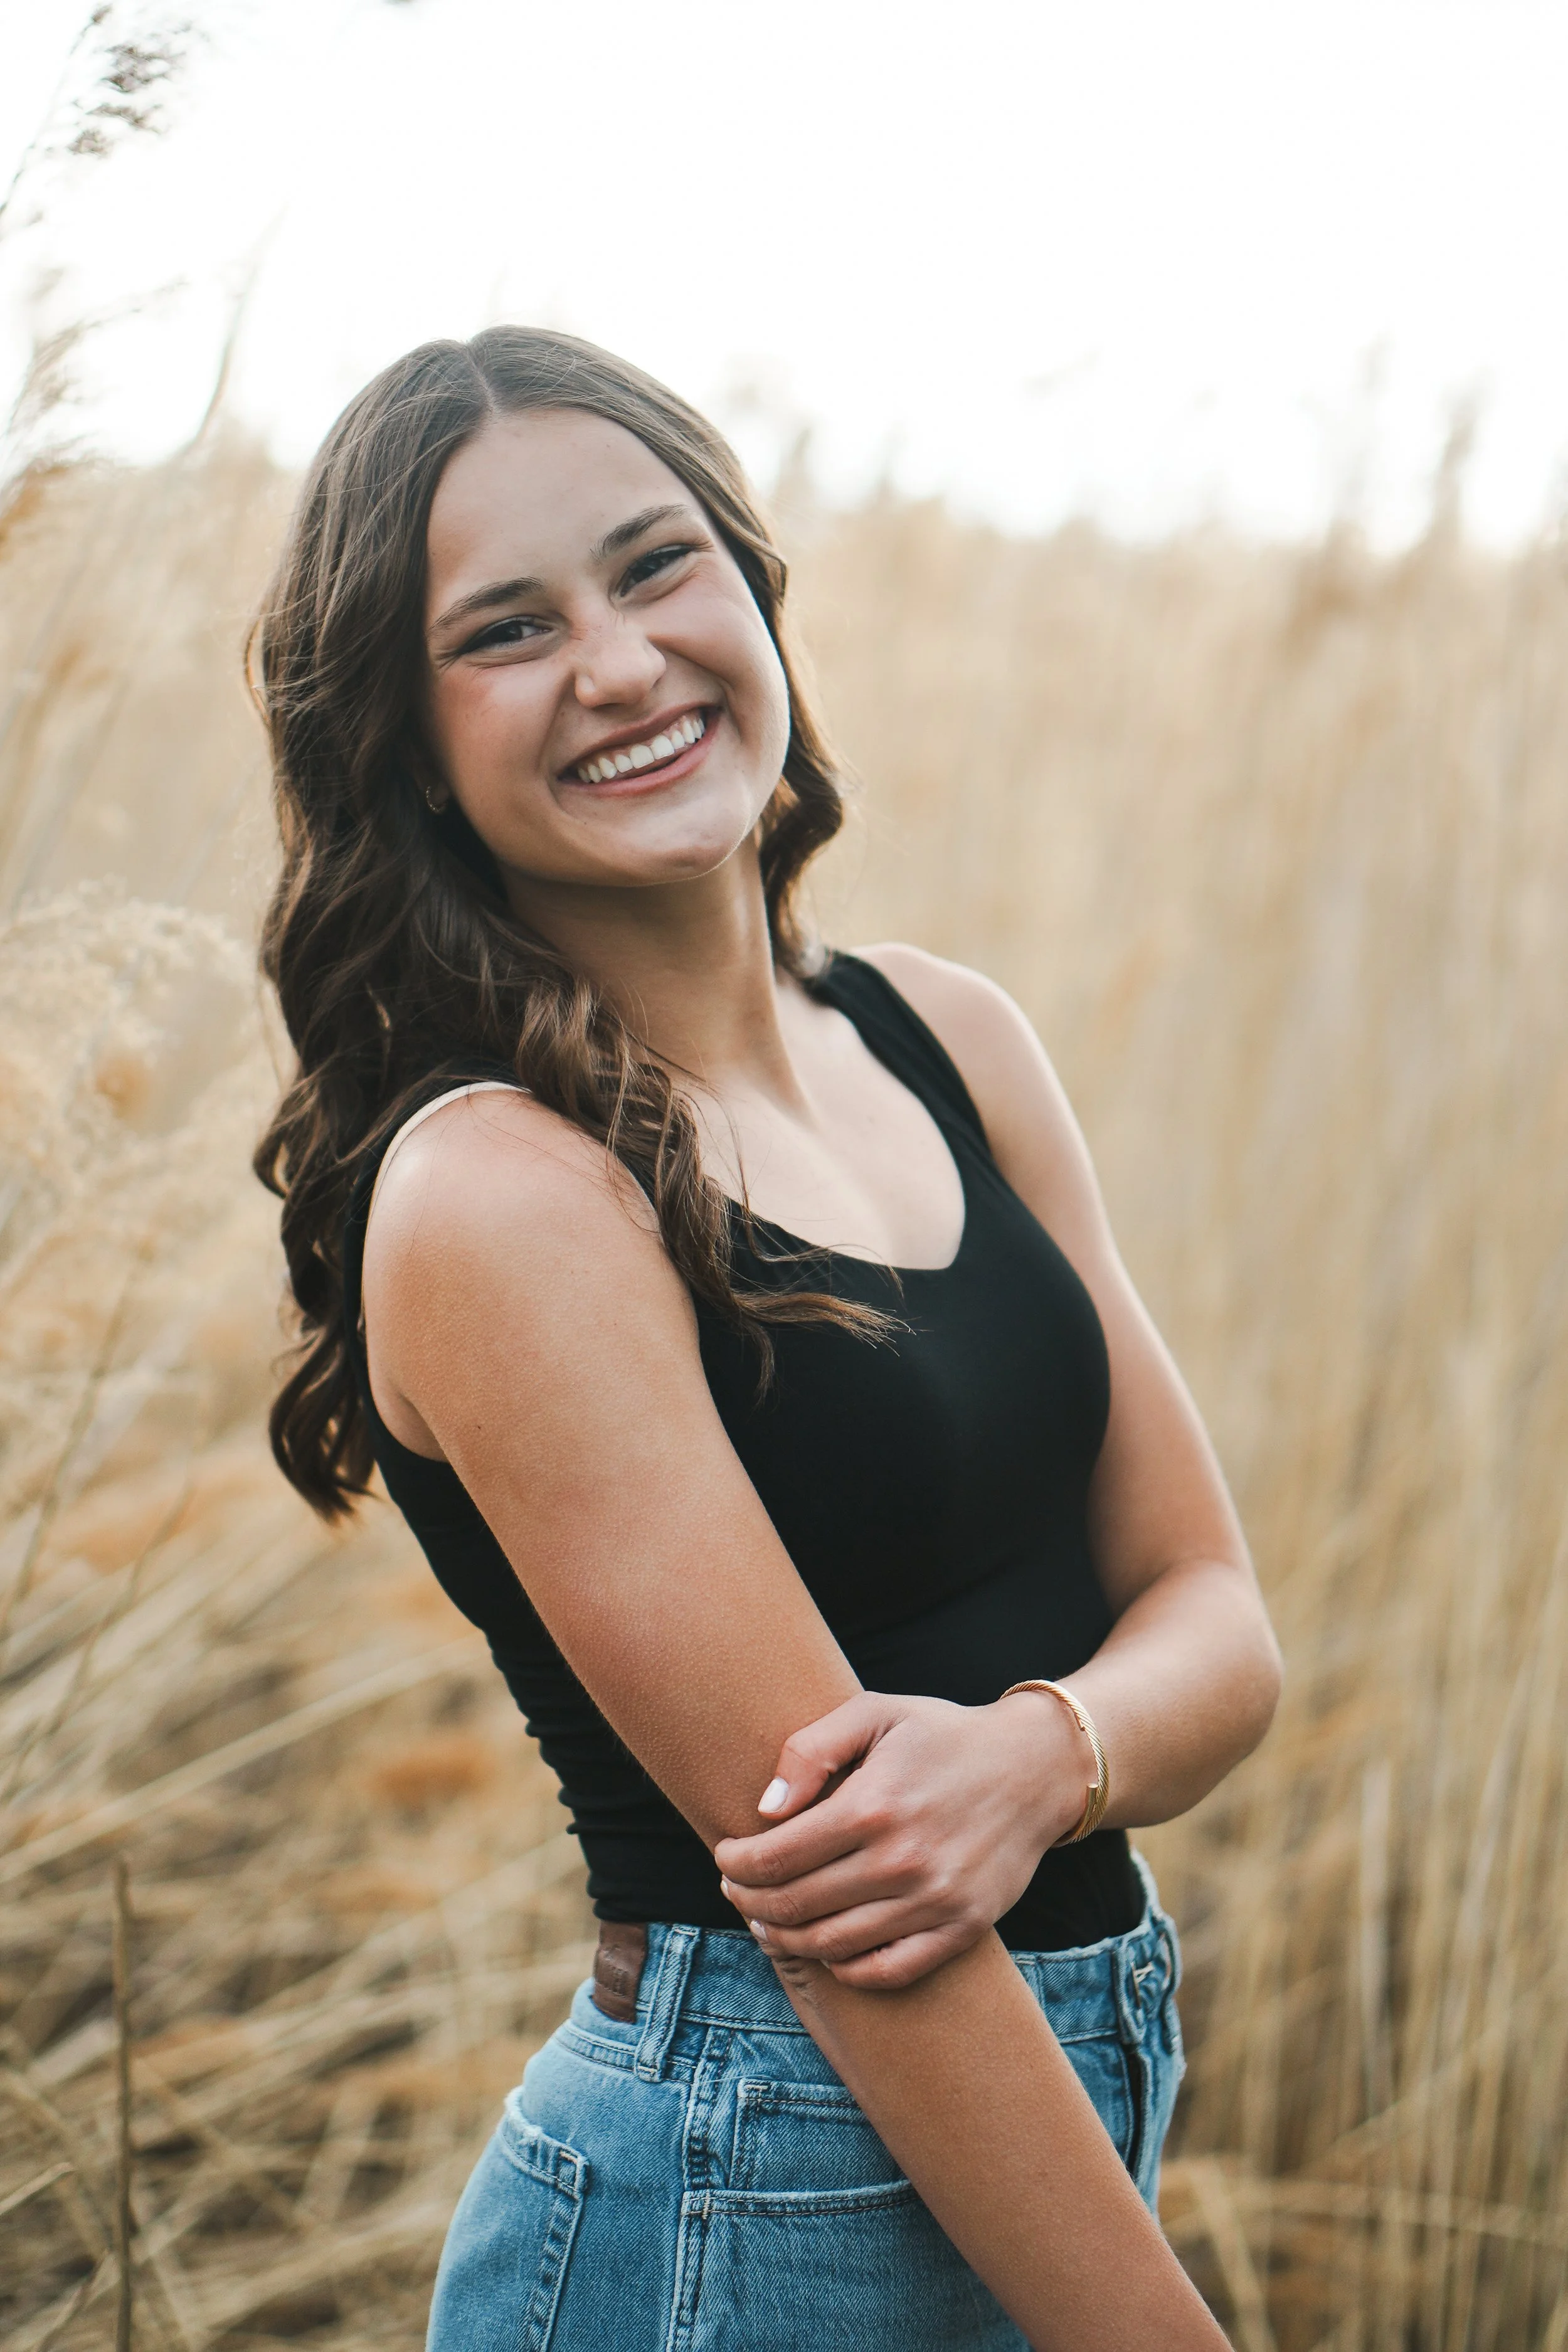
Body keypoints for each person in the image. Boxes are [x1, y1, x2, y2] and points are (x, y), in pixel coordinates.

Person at [252, 326, 1281, 2351]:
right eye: (505, 631)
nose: (620, 664)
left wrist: (1036, 1756)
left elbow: (1217, 1616)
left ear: (752, 584)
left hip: (1060, 2098)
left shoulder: (944, 1035)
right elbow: (854, 1932)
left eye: (656, 567)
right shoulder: (505, 1195)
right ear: (403, 741)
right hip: (746, 2187)